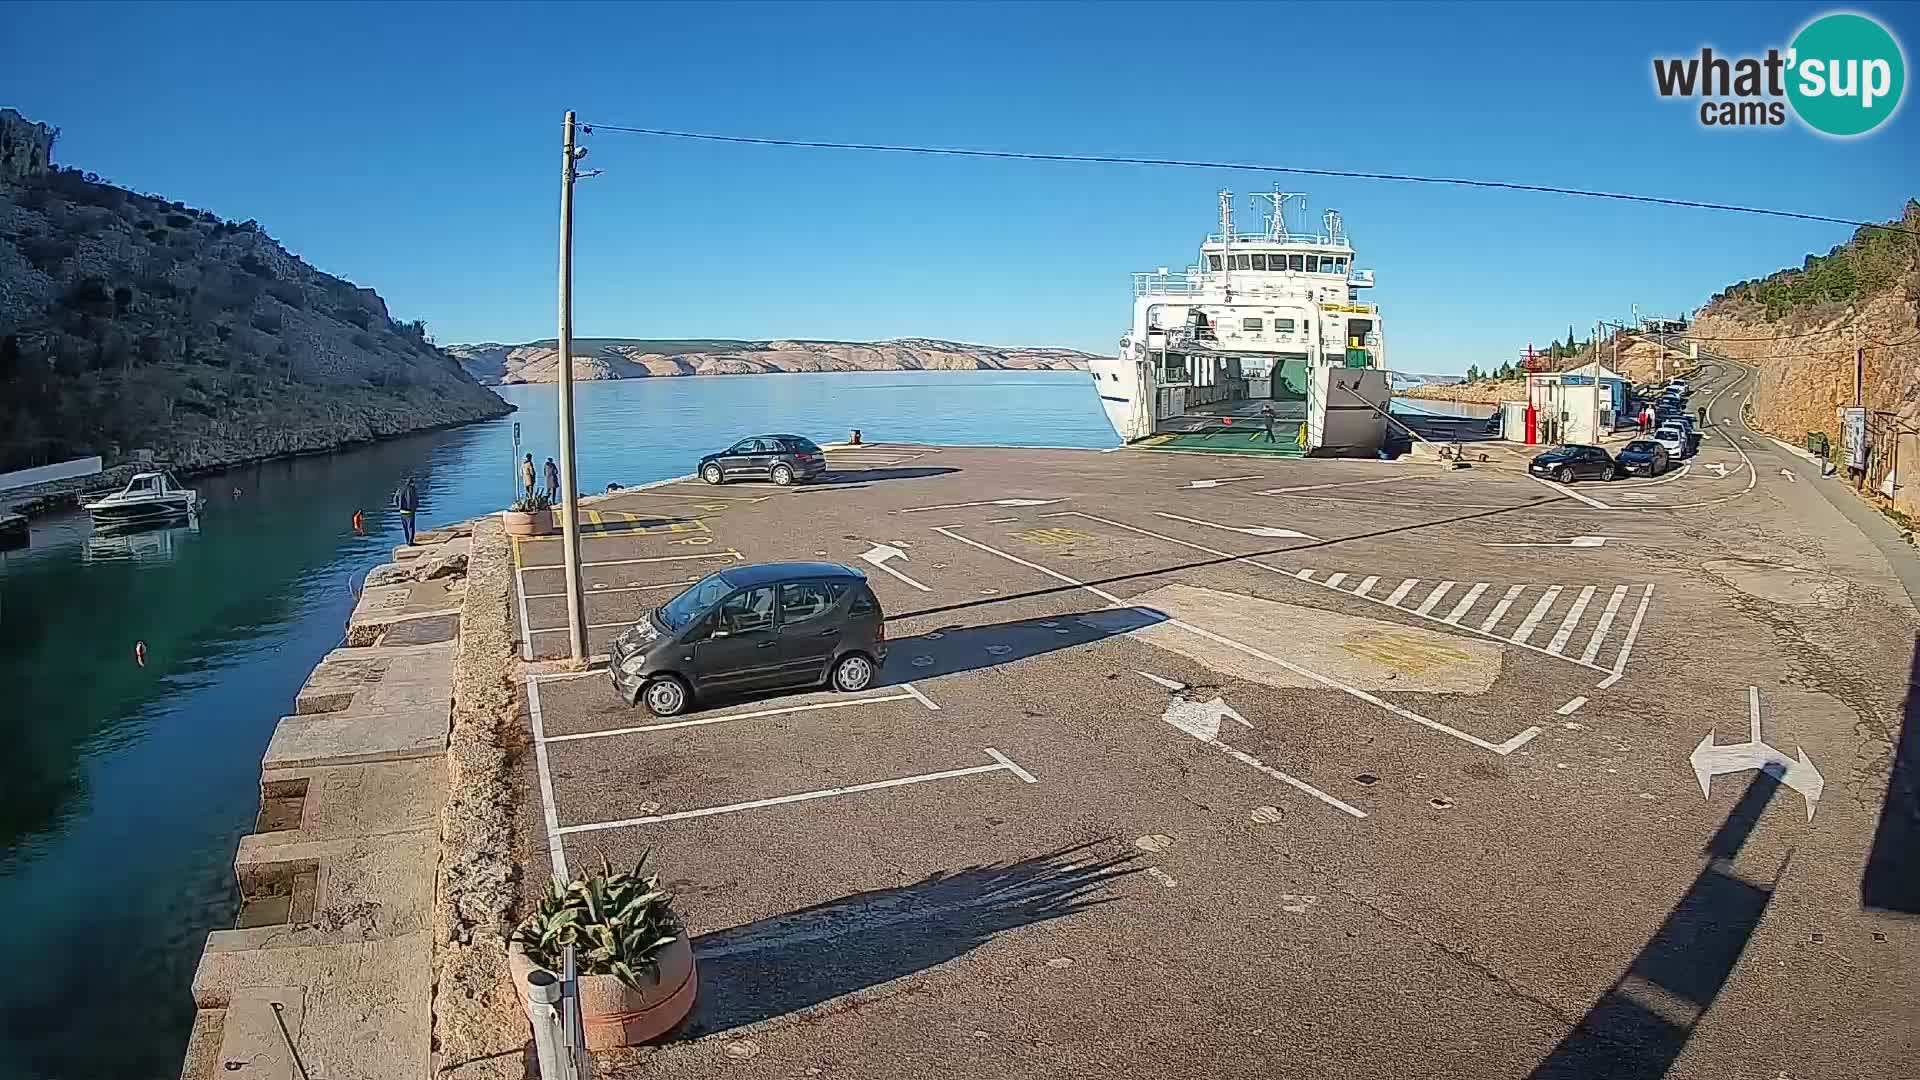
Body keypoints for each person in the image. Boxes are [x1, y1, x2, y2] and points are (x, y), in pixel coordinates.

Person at [396, 476, 419, 545]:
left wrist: (399, 506)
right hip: (410, 511)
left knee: (405, 527)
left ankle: (407, 541)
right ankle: (411, 542)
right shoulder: (412, 489)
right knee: (411, 527)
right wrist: (415, 508)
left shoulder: (400, 489)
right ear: (412, 483)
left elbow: (395, 499)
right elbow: (415, 500)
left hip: (402, 511)